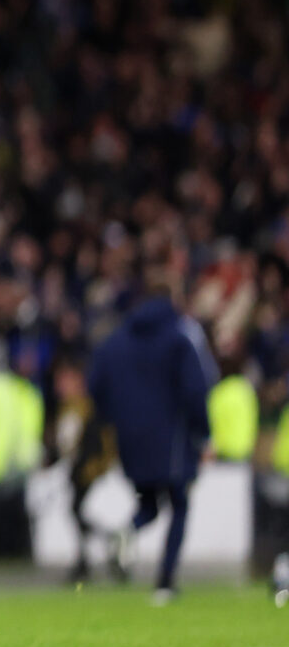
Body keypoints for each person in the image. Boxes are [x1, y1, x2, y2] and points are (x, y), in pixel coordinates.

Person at [89, 258, 214, 603]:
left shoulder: (115, 340)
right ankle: (164, 583)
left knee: (150, 506)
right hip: (170, 438)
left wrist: (116, 418)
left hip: (130, 440)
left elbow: (95, 384)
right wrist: (204, 434)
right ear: (172, 297)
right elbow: (195, 389)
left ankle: (125, 533)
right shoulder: (178, 338)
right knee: (180, 504)